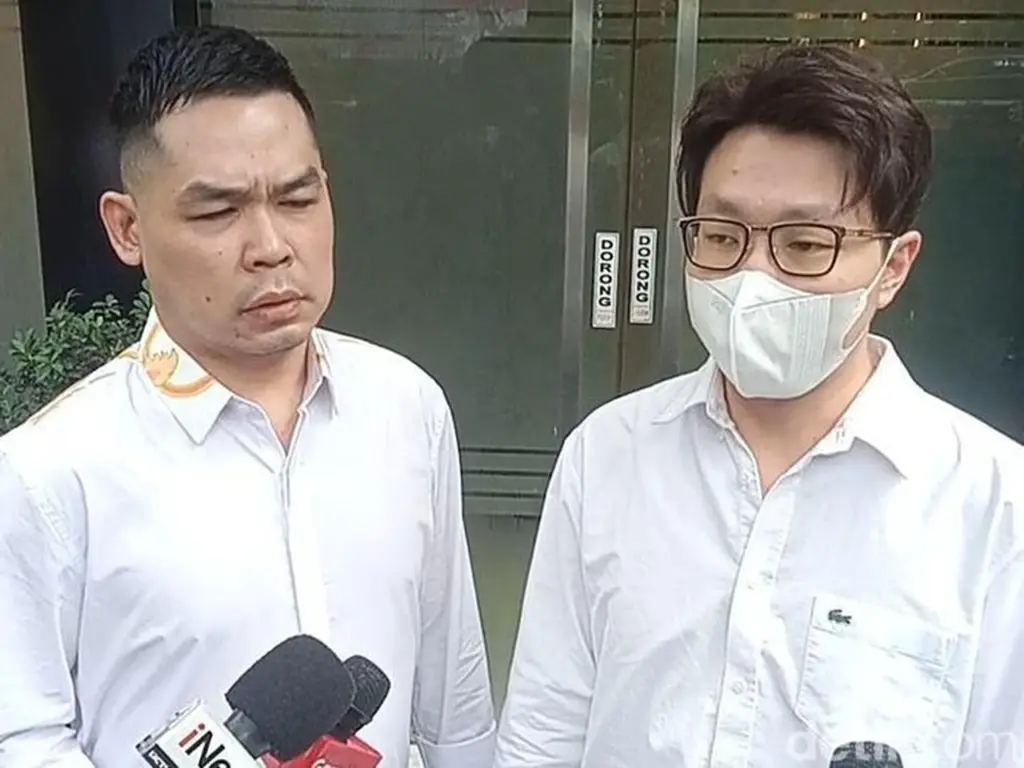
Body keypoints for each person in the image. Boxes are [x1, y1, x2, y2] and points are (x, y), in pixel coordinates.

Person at [494, 45, 1024, 768]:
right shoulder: (609, 454)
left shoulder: (992, 506)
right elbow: (544, 730)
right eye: (721, 236)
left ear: (893, 267)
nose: (753, 276)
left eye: (805, 244)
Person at [0, 25, 495, 768]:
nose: (270, 246)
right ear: (127, 229)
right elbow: (23, 736)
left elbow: (453, 701)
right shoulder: (47, 472)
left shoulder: (407, 407)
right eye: (217, 212)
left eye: (297, 199)